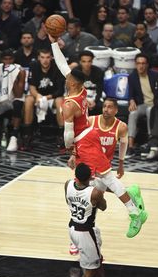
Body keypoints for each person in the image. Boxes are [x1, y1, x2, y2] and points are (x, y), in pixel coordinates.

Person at [49, 33, 148, 239]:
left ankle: (135, 213)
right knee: (95, 184)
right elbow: (62, 66)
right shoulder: (81, 90)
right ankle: (129, 194)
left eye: (69, 79)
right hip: (87, 137)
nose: (65, 79)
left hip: (84, 142)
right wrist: (53, 43)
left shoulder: (69, 105)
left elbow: (68, 136)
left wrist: (70, 150)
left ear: (73, 83)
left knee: (105, 178)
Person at [65, 162, 127, 277]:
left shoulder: (67, 185)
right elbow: (103, 207)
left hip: (73, 227)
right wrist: (101, 192)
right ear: (90, 177)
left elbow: (70, 200)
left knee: (97, 261)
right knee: (91, 271)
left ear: (76, 176)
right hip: (86, 232)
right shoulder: (95, 193)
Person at [21, 48, 65, 151]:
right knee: (28, 100)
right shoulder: (34, 65)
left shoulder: (57, 67)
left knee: (60, 101)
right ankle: (27, 136)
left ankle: (61, 136)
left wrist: (46, 98)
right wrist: (38, 96)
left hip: (52, 96)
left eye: (48, 57)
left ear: (52, 58)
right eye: (42, 57)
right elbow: (31, 87)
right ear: (38, 58)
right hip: (38, 95)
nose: (45, 60)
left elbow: (60, 90)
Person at [125, 53, 158, 158]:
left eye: (143, 63)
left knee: (150, 111)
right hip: (142, 104)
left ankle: (151, 143)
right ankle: (130, 146)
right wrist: (131, 100)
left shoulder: (155, 75)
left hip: (155, 105)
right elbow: (130, 94)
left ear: (147, 65)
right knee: (133, 113)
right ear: (135, 64)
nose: (141, 66)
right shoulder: (132, 77)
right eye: (138, 63)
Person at [74, 50, 104, 115]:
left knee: (100, 106)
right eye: (84, 61)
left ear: (92, 61)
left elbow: (100, 90)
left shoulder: (98, 72)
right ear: (80, 62)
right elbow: (74, 91)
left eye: (89, 61)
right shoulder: (75, 72)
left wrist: (95, 101)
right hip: (80, 97)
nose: (87, 64)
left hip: (94, 97)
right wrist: (85, 101)